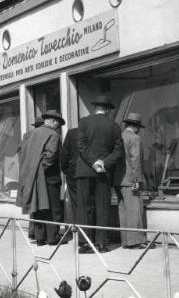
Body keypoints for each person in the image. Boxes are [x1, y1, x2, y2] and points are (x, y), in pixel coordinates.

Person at [76, 95, 124, 253]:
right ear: (108, 110)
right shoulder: (115, 126)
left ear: (95, 108)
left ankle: (84, 243)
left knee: (85, 207)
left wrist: (93, 162)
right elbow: (118, 151)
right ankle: (101, 243)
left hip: (85, 170)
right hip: (103, 172)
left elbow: (81, 146)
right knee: (103, 207)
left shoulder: (83, 122)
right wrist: (104, 163)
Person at [16, 110, 65, 246]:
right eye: (58, 124)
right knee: (53, 208)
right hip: (48, 177)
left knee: (36, 207)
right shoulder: (53, 134)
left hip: (30, 176)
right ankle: (52, 238)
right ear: (54, 121)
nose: (58, 127)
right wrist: (41, 168)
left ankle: (39, 238)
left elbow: (20, 151)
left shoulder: (29, 134)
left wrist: (29, 167)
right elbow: (51, 155)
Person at [115, 112, 151, 249]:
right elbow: (135, 161)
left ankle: (125, 240)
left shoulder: (119, 137)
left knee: (123, 210)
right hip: (132, 180)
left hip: (118, 180)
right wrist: (138, 180)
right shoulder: (135, 138)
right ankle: (135, 241)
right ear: (136, 127)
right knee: (135, 209)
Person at [17, 116, 45, 240]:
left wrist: (24, 163)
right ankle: (37, 232)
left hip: (26, 171)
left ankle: (32, 231)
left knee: (31, 203)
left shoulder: (27, 135)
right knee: (38, 203)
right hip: (37, 172)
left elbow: (19, 151)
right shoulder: (40, 136)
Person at [60, 127, 80, 225]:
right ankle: (91, 233)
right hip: (92, 172)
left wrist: (65, 170)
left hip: (73, 172)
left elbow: (64, 154)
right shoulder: (95, 132)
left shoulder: (72, 133)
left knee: (76, 203)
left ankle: (80, 232)